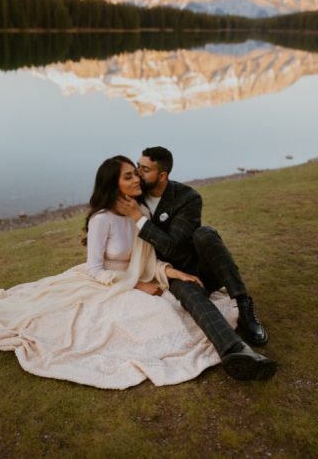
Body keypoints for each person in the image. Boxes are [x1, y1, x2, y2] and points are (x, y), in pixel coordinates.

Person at [0, 156, 246, 389]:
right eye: (128, 177)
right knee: (124, 322)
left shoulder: (140, 216)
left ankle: (230, 342)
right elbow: (94, 268)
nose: (137, 180)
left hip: (137, 277)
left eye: (137, 174)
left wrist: (174, 273)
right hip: (105, 281)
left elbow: (146, 261)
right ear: (114, 185)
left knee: (172, 313)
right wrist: (135, 286)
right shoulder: (102, 220)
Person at [115, 146, 276, 380]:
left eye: (145, 169)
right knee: (192, 298)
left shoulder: (188, 198)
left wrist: (139, 219)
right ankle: (237, 352)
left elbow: (174, 247)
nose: (138, 174)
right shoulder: (134, 196)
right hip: (174, 273)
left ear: (163, 175)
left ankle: (244, 306)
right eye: (137, 167)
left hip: (201, 265)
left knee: (205, 233)